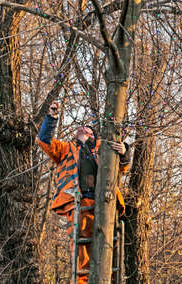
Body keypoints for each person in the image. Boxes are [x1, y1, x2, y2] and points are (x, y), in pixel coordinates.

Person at [37, 101, 131, 284]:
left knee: (107, 245)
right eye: (79, 128)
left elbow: (123, 167)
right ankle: (83, 282)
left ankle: (108, 280)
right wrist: (52, 118)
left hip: (105, 203)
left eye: (86, 129)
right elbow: (44, 141)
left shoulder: (103, 147)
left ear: (92, 134)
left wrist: (125, 151)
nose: (81, 129)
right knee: (81, 245)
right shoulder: (66, 149)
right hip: (79, 202)